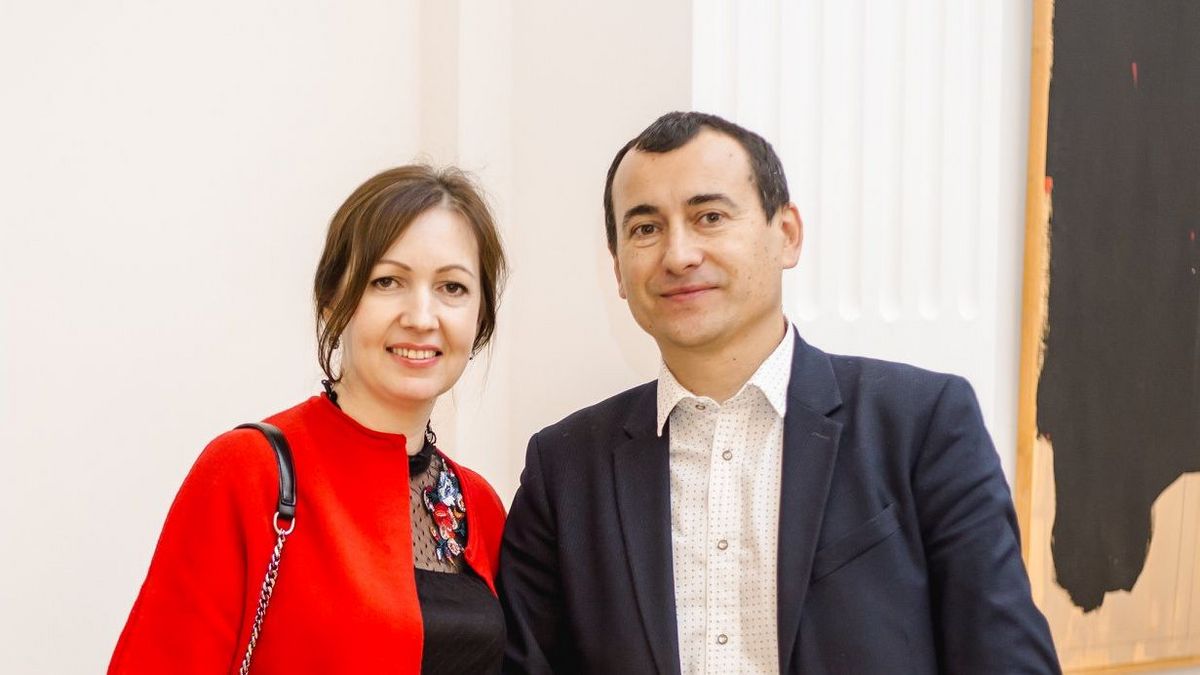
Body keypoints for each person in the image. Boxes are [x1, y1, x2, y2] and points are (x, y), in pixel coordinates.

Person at [498, 112, 1060, 674]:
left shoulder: (921, 424)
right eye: (646, 229)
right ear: (618, 269)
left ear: (787, 234)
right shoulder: (565, 469)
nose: (678, 255)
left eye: (710, 217)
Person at [109, 165, 509, 674]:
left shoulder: (480, 507)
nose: (421, 317)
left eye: (452, 287)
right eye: (387, 281)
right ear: (333, 299)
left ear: (480, 318)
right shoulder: (249, 470)